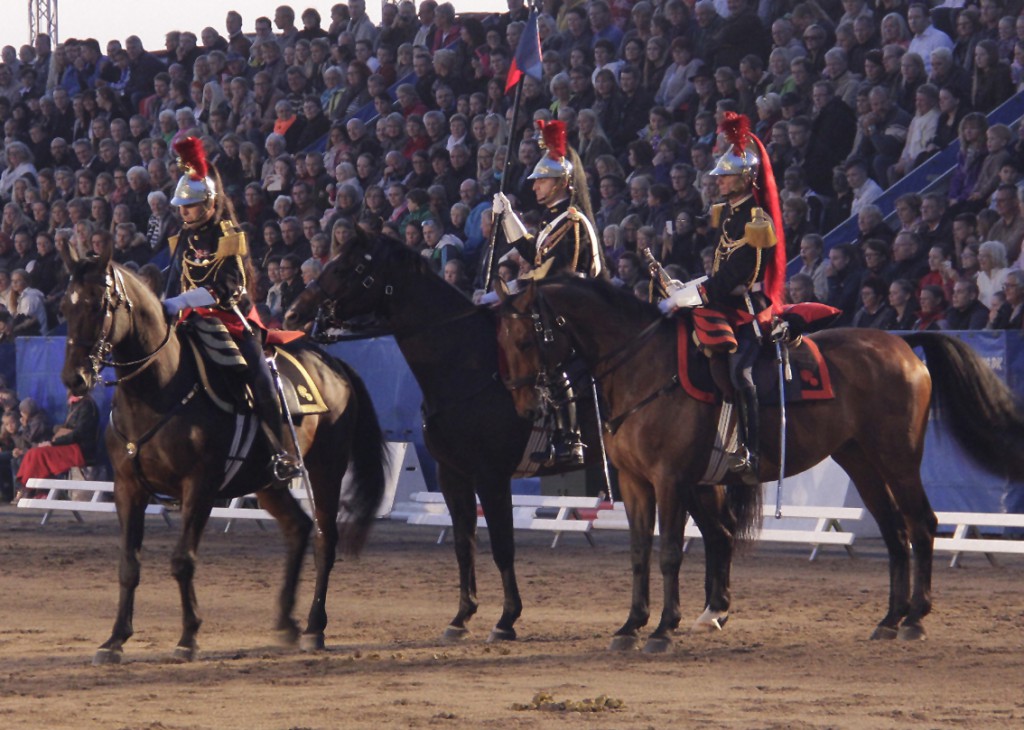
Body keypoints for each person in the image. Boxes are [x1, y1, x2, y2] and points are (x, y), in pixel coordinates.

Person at [162, 137, 300, 486]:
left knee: (262, 383)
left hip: (231, 320)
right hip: (190, 322)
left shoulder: (229, 234)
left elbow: (231, 288)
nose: (184, 212)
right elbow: (177, 281)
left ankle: (279, 451)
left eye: (190, 207)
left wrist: (183, 301)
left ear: (208, 204)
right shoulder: (183, 238)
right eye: (181, 207)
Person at [674, 111, 786, 487]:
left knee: (741, 373)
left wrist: (700, 291)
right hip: (722, 302)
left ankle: (751, 450)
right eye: (719, 175)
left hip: (746, 309)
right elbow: (721, 265)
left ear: (745, 178)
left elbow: (745, 272)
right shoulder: (729, 215)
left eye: (726, 175)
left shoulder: (756, 217)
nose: (718, 180)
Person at [491, 119, 605, 465]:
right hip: (553, 303)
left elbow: (555, 272)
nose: (536, 187)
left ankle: (570, 440)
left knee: (551, 357)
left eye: (542, 180)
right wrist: (508, 216)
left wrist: (512, 289)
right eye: (537, 180)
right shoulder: (551, 221)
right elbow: (534, 254)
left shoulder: (571, 221)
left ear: (562, 183)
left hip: (577, 307)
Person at [14, 391, 99, 497]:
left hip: (79, 449)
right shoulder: (75, 405)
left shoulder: (87, 406)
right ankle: (25, 486)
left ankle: (27, 488)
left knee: (39, 454)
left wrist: (53, 443)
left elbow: (78, 434)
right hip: (69, 445)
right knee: (33, 452)